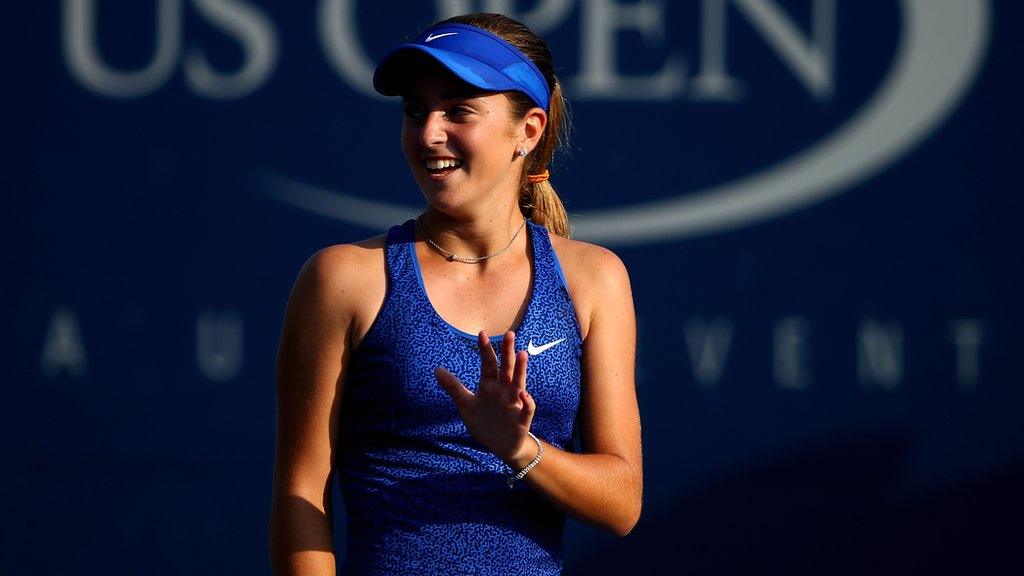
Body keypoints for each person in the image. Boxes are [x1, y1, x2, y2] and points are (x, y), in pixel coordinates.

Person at [269, 12, 642, 575]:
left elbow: (622, 503)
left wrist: (520, 450)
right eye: (415, 111)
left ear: (529, 130)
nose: (428, 133)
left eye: (458, 109)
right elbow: (301, 495)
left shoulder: (595, 279)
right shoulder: (343, 278)